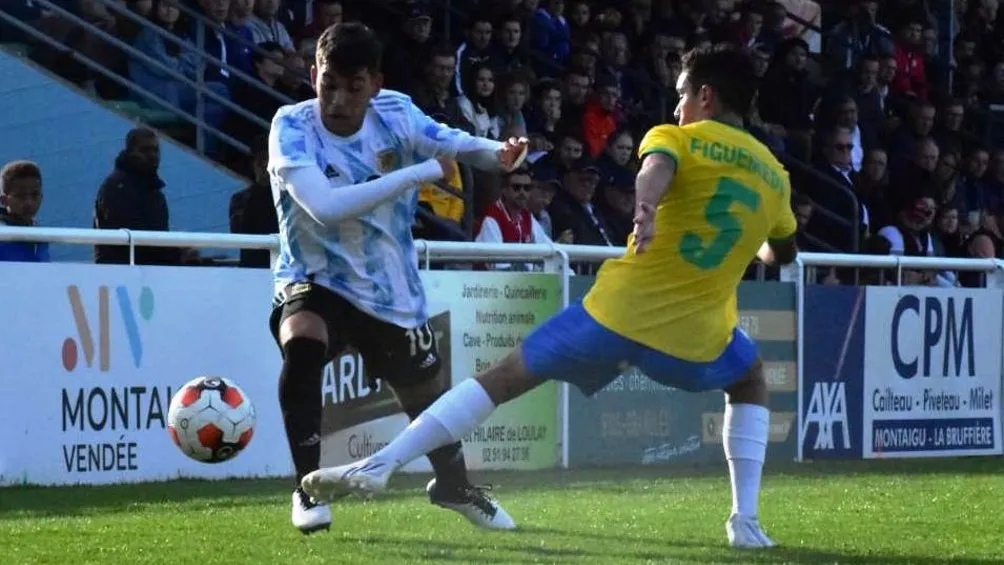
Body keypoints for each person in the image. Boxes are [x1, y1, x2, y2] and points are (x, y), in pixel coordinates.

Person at [300, 44, 799, 550]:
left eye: (682, 96)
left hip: (616, 314)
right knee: (750, 379)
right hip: (698, 338)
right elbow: (780, 255)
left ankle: (383, 463)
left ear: (706, 96)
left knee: (504, 378)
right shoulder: (774, 177)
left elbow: (655, 169)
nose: (677, 109)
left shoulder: (677, 137)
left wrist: (645, 207)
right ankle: (746, 522)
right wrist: (746, 232)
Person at [267, 22, 528, 535]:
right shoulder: (292, 127)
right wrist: (417, 174)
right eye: (328, 84)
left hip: (389, 288)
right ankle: (306, 487)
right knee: (302, 341)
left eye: (353, 86)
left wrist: (496, 152)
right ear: (315, 74)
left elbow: (450, 140)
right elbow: (322, 208)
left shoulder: (396, 114)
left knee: (425, 396)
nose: (338, 100)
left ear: (375, 85)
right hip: (313, 274)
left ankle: (453, 486)